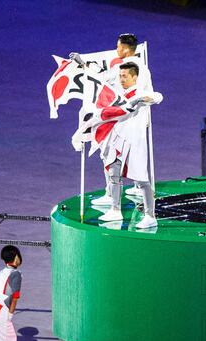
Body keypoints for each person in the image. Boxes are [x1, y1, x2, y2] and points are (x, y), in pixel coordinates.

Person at [71, 34, 154, 207]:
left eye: (118, 47)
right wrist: (146, 117)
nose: (116, 50)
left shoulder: (124, 68)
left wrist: (83, 64)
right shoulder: (143, 68)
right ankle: (139, 187)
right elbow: (150, 92)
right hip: (139, 119)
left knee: (109, 154)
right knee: (136, 154)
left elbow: (102, 79)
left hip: (122, 119)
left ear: (125, 48)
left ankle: (112, 195)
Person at [96, 63, 163, 229]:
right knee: (113, 174)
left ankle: (150, 216)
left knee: (142, 180)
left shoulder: (140, 93)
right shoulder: (119, 94)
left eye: (124, 76)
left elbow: (158, 96)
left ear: (134, 76)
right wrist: (83, 64)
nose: (121, 79)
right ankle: (115, 210)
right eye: (120, 76)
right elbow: (100, 81)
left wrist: (142, 99)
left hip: (134, 143)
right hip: (118, 140)